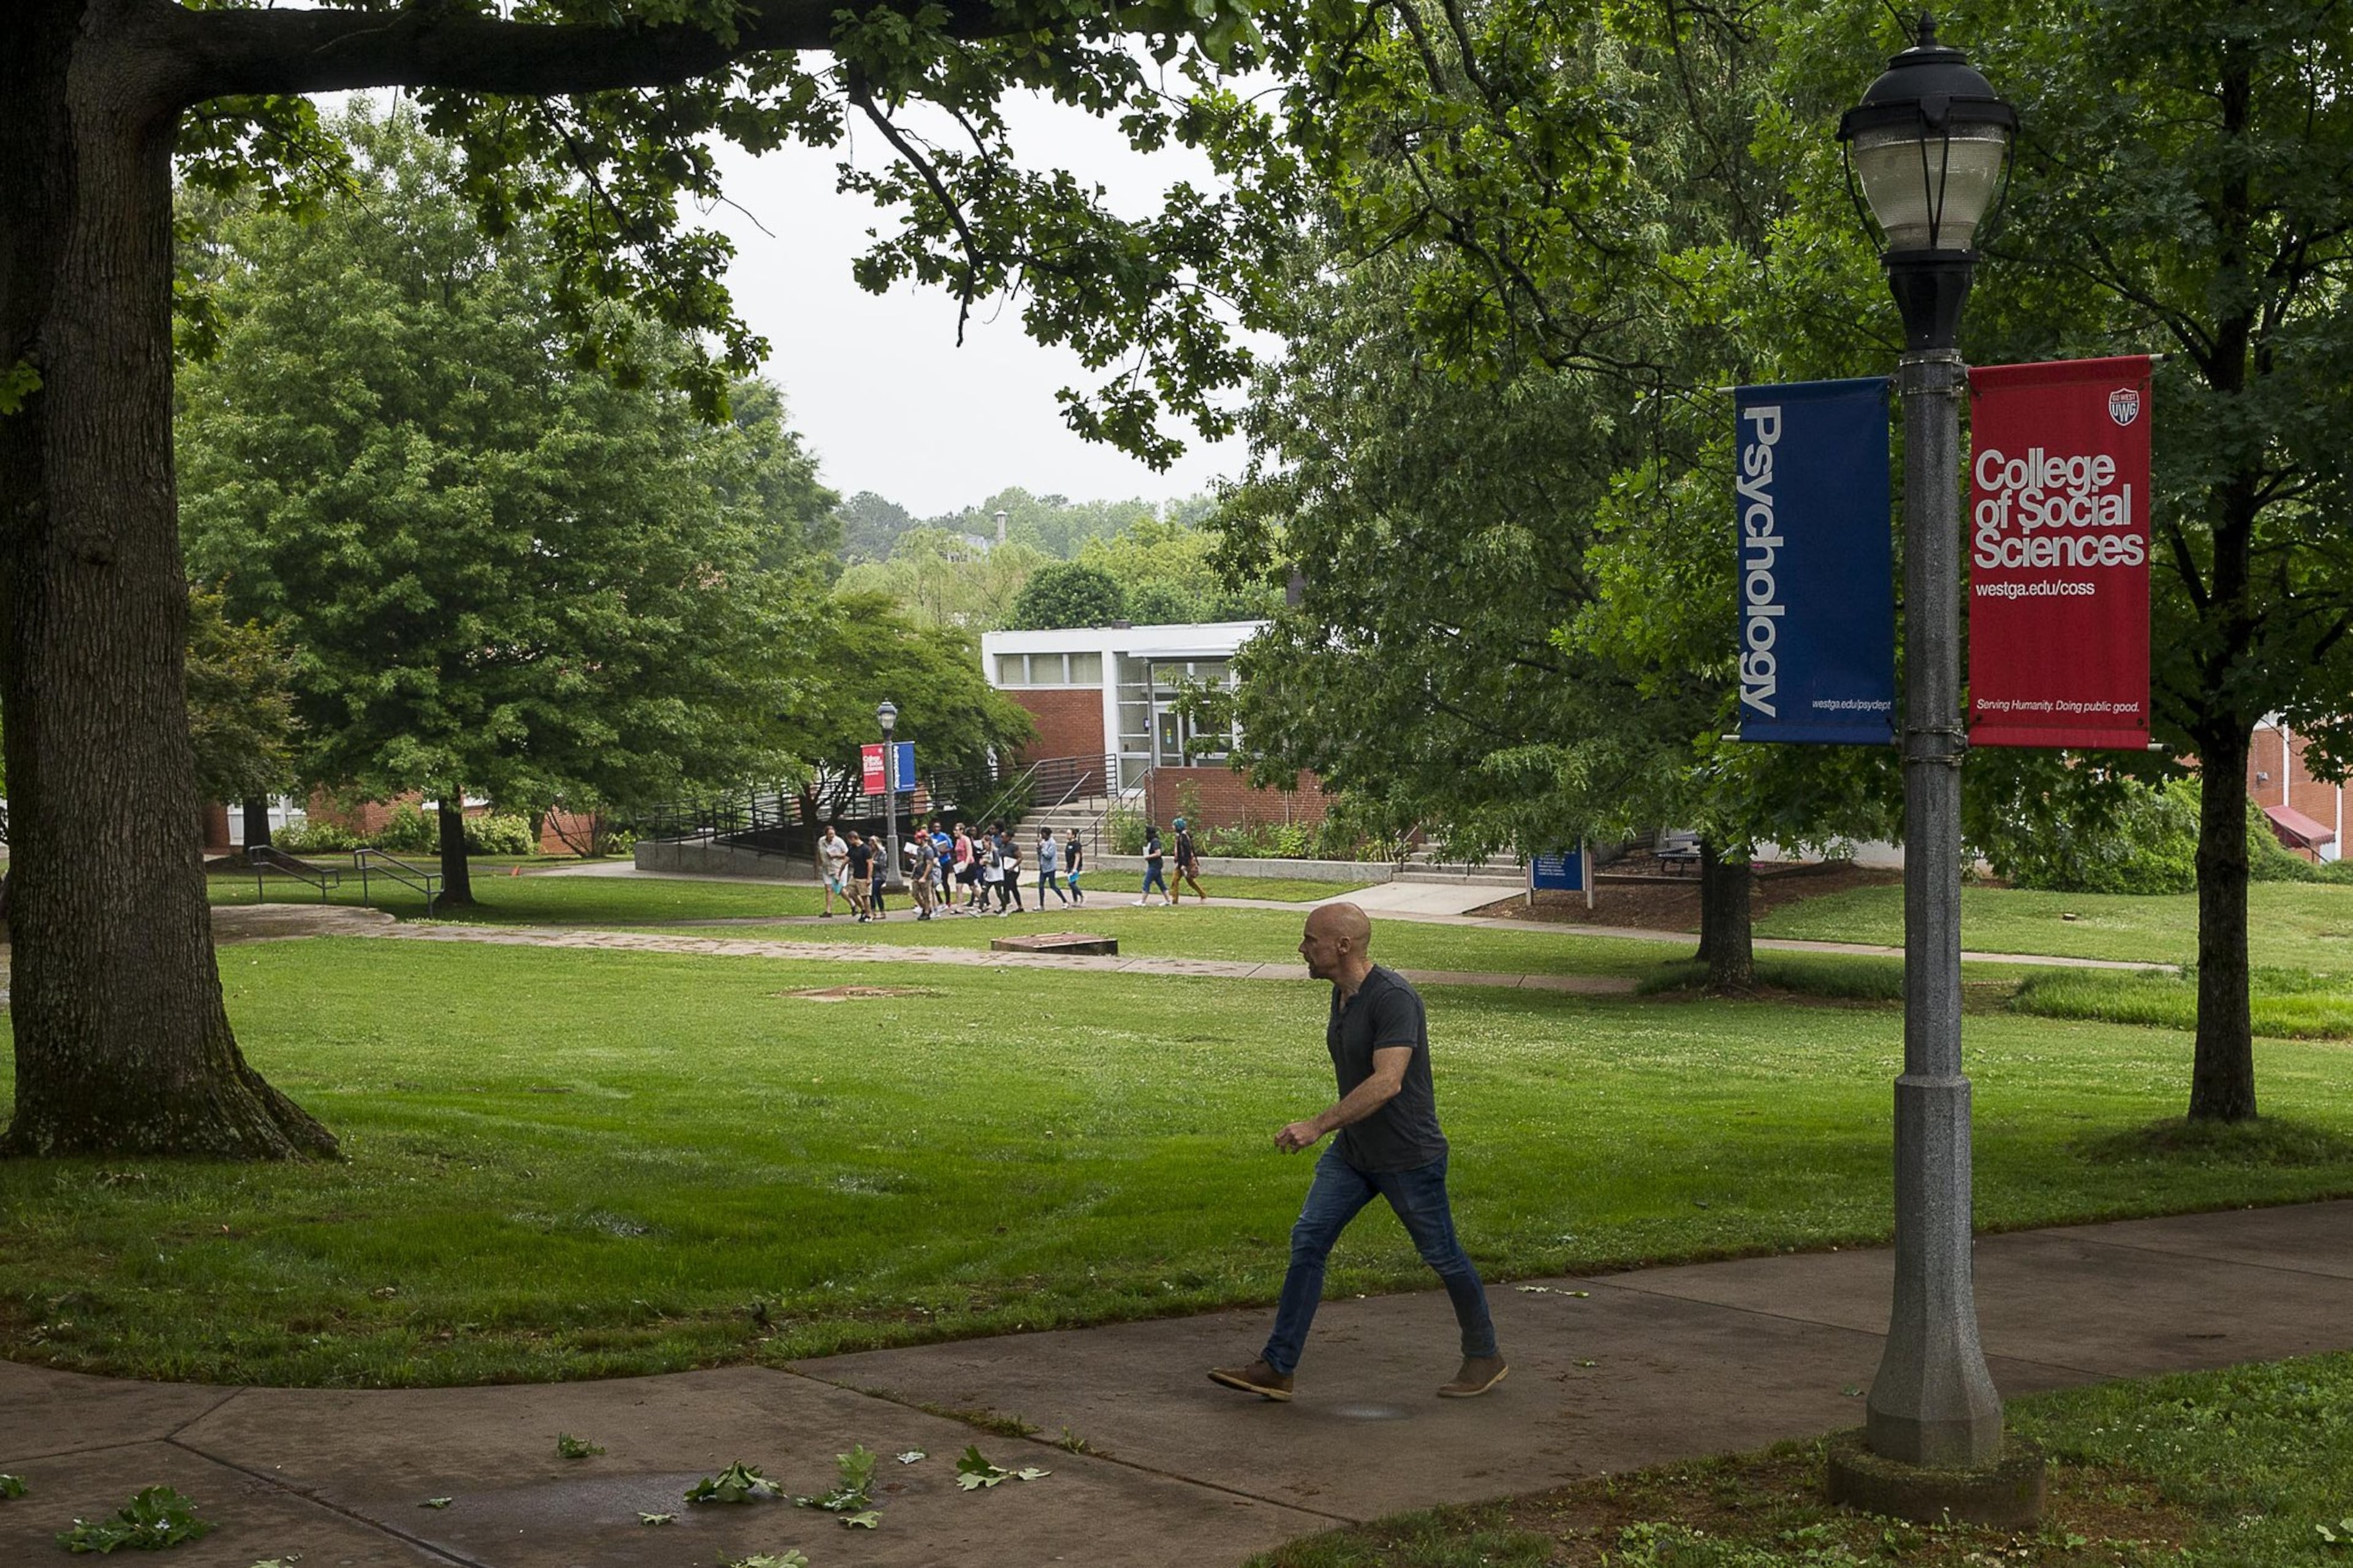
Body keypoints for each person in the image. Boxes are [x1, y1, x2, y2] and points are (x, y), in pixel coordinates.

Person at [1209, 903, 1504, 1403]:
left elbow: (1388, 1082)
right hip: (1355, 1153)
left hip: (1408, 1155)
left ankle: (1484, 1355)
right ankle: (1278, 1367)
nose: (1301, 948)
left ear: (1342, 945)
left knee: (1443, 1255)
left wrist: (1317, 1125)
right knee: (1309, 1239)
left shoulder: (1394, 999)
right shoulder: (1341, 995)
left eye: (1309, 939)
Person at [817, 824, 850, 918]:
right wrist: (819, 864)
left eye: (833, 834)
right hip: (827, 868)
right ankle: (828, 911)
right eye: (830, 834)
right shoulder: (821, 841)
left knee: (838, 889)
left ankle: (853, 904)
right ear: (826, 834)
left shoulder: (839, 841)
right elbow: (819, 852)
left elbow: (847, 854)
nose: (832, 836)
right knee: (828, 889)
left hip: (838, 867)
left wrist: (836, 856)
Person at [1172, 817, 1206, 904]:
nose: (1173, 827)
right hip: (1180, 863)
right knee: (1175, 880)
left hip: (1185, 863)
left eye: (1174, 825)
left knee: (1188, 881)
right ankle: (1174, 900)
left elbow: (1186, 852)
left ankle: (1203, 895)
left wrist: (1184, 864)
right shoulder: (1180, 836)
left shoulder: (1183, 837)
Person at [843, 830, 873, 922]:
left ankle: (869, 915)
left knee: (865, 896)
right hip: (855, 875)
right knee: (851, 893)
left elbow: (870, 864)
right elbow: (846, 860)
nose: (849, 842)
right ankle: (863, 909)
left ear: (853, 839)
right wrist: (839, 872)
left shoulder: (866, 849)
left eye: (850, 840)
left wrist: (869, 878)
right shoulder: (852, 848)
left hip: (863, 876)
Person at [906, 832, 937, 920]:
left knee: (926, 895)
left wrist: (924, 877)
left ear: (923, 839)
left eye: (918, 839)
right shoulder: (919, 849)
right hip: (917, 875)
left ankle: (927, 912)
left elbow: (929, 864)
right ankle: (926, 908)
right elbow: (919, 860)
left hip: (926, 876)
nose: (916, 841)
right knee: (915, 894)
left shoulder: (929, 850)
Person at [996, 823, 1025, 914]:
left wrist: (1013, 866)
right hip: (1005, 870)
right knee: (1014, 888)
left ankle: (1003, 907)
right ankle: (1020, 906)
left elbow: (1020, 857)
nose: (1002, 839)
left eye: (1003, 837)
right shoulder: (1002, 846)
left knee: (1006, 888)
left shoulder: (1013, 847)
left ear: (1009, 838)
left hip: (1012, 871)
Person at [1037, 827, 1070, 907]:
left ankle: (1065, 901)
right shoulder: (1043, 842)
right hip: (1043, 867)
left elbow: (1049, 855)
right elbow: (1040, 855)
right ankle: (1041, 904)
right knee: (1041, 886)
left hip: (1050, 868)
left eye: (1043, 834)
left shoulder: (1052, 843)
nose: (1042, 836)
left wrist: (1042, 850)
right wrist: (1039, 850)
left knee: (1053, 885)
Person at [1139, 823, 1170, 905]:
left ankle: (1142, 901)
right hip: (1154, 864)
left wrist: (1148, 857)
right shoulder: (1152, 842)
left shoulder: (1155, 841)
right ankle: (1168, 901)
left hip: (1155, 864)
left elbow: (1158, 853)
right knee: (1160, 883)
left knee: (1147, 882)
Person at [1063, 830, 1086, 905]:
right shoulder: (1068, 844)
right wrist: (1066, 866)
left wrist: (1075, 868)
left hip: (1076, 866)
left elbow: (1077, 856)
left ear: (1073, 835)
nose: (1067, 835)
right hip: (1070, 866)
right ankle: (1075, 900)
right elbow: (1068, 857)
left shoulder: (1076, 844)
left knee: (1071, 883)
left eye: (1069, 834)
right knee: (1072, 882)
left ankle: (1081, 895)